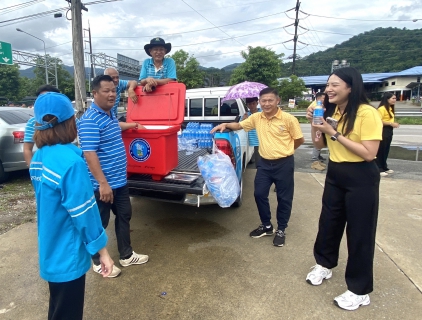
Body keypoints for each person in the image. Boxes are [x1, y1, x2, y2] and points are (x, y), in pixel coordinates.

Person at [29, 92, 114, 320]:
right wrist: (102, 252)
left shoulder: (39, 157)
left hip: (50, 248)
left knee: (58, 309)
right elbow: (84, 212)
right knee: (68, 313)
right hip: (68, 253)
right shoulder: (72, 163)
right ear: (70, 121)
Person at [305, 67, 382, 311]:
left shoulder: (367, 113)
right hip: (336, 173)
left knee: (360, 232)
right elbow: (319, 144)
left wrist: (334, 133)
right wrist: (314, 124)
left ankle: (359, 290)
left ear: (351, 87)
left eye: (335, 84)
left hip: (360, 176)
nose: (329, 89)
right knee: (329, 222)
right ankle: (324, 264)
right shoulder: (331, 111)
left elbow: (370, 153)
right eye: (328, 84)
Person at [211, 88, 304, 247]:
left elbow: (299, 140)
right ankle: (267, 225)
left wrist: (286, 151)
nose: (267, 104)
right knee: (259, 194)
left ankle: (281, 229)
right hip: (265, 164)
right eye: (264, 101)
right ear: (260, 102)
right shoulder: (256, 118)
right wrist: (225, 124)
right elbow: (239, 125)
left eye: (270, 100)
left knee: (284, 198)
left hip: (284, 164)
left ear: (277, 100)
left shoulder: (289, 119)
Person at [77, 75, 149, 278]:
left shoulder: (109, 116)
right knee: (99, 222)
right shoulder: (90, 120)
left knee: (125, 215)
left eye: (114, 91)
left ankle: (126, 255)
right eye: (106, 91)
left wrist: (133, 125)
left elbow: (117, 127)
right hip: (103, 185)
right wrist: (102, 184)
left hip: (120, 181)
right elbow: (89, 155)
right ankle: (98, 261)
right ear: (95, 93)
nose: (111, 94)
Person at [23, 85, 60, 166]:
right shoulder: (33, 122)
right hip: (44, 166)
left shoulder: (68, 120)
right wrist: (32, 169)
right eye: (41, 98)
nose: (45, 101)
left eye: (49, 98)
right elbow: (27, 149)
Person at [375, 92, 399, 177]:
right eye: (393, 98)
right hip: (383, 130)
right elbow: (378, 121)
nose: (394, 100)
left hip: (389, 130)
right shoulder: (382, 109)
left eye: (395, 98)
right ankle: (378, 168)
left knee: (386, 149)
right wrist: (390, 123)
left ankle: (384, 167)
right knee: (381, 149)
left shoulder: (390, 108)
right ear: (387, 99)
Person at [242, 97, 261, 164]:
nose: (252, 105)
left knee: (260, 163)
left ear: (257, 103)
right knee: (250, 161)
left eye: (253, 103)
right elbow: (240, 126)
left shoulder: (263, 113)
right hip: (249, 142)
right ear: (247, 105)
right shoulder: (246, 115)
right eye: (249, 104)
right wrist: (244, 120)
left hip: (259, 142)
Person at [309, 92, 327, 162]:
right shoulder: (315, 106)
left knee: (320, 141)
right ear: (319, 98)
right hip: (318, 126)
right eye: (323, 98)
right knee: (318, 140)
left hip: (320, 125)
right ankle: (315, 157)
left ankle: (318, 156)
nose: (325, 99)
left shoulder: (321, 105)